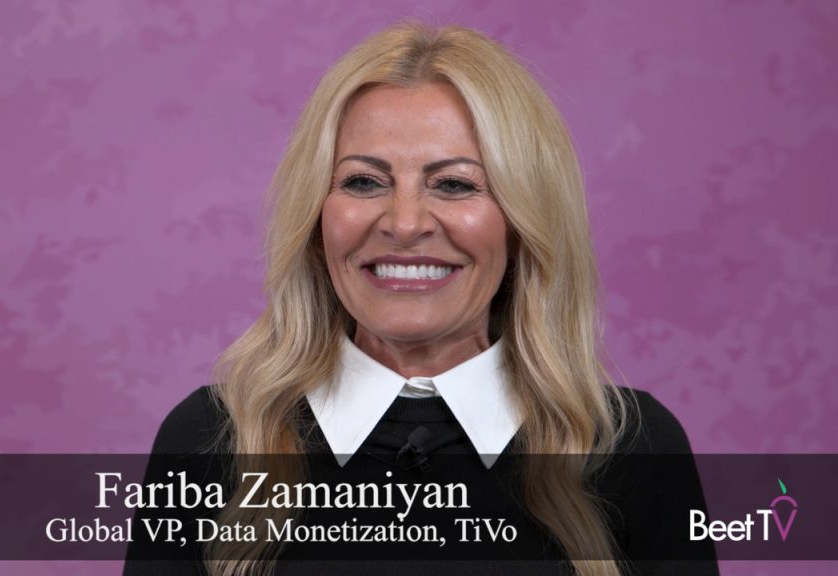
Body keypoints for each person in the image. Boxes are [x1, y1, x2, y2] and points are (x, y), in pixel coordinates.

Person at [125, 21, 717, 576]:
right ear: (317, 221)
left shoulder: (635, 451)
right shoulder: (209, 441)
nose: (404, 224)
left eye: (454, 184)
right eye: (364, 181)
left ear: (523, 222)